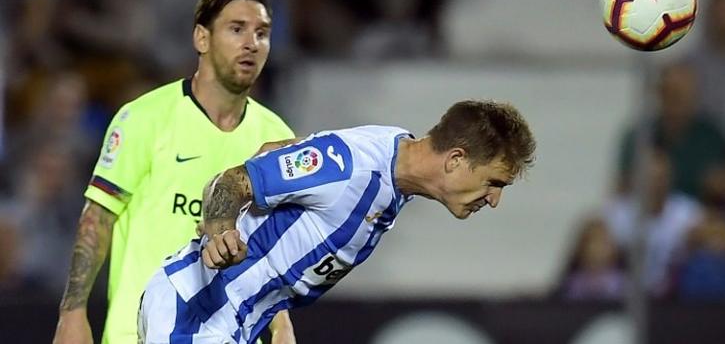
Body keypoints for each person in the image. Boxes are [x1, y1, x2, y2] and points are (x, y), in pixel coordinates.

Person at [137, 100, 536, 343]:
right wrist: (221, 228)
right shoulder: (352, 165)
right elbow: (232, 181)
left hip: (232, 325)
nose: (495, 199)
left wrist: (278, 325)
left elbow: (276, 153)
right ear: (455, 160)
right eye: (494, 182)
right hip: (193, 312)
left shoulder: (396, 165)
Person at [53, 0, 297, 344]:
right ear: (202, 38)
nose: (252, 43)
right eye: (236, 29)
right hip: (138, 333)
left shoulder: (276, 136)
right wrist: (72, 314)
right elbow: (98, 216)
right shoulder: (144, 118)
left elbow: (273, 246)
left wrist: (282, 326)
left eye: (262, 33)